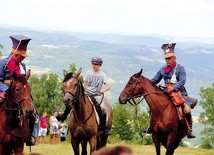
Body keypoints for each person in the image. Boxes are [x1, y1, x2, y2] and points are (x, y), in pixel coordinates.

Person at [150, 43, 196, 138]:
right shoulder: (162, 69)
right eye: (166, 58)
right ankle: (150, 126)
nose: (167, 60)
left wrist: (174, 88)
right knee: (153, 106)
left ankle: (190, 129)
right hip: (165, 93)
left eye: (169, 58)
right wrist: (147, 84)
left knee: (186, 109)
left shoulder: (180, 68)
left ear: (174, 58)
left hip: (179, 93)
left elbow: (182, 81)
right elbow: (154, 80)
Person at [0, 35, 35, 146]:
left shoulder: (22, 66)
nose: (23, 58)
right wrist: (6, 90)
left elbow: (23, 81)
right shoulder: (3, 63)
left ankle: (28, 137)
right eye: (21, 56)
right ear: (15, 54)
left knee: (32, 112)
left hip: (19, 95)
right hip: (4, 92)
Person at [83, 57, 111, 136]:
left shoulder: (102, 74)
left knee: (103, 109)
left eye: (96, 64)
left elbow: (108, 86)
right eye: (93, 64)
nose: (94, 66)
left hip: (96, 96)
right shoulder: (88, 72)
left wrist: (103, 90)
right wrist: (82, 90)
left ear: (100, 65)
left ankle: (104, 127)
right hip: (87, 94)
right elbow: (85, 83)